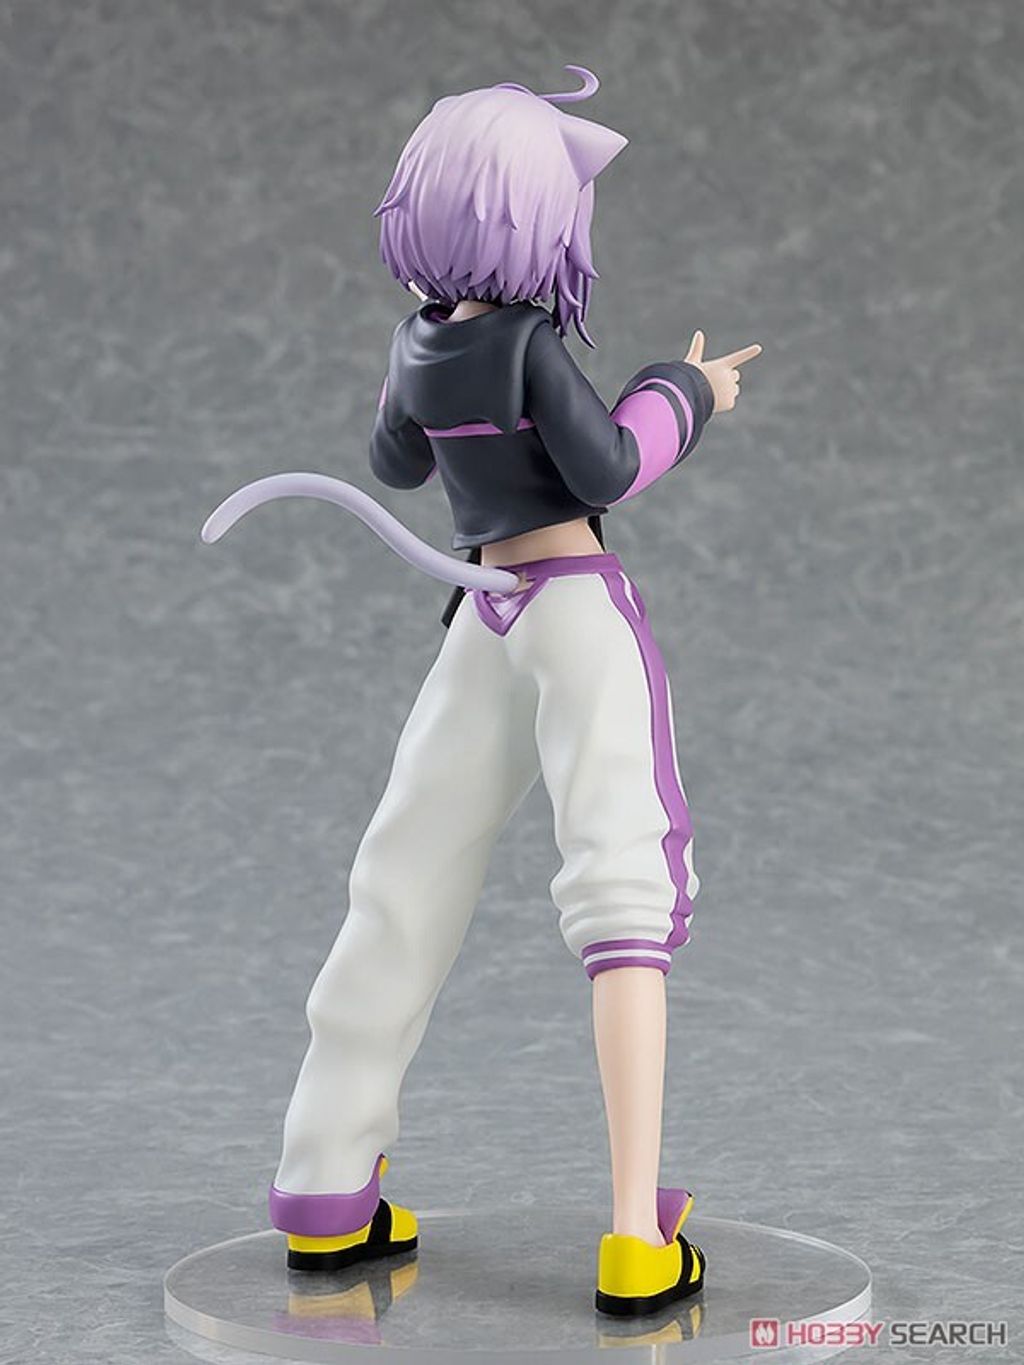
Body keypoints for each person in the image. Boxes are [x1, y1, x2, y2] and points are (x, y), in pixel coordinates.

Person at [266, 66, 761, 1317]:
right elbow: (606, 466)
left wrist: (411, 376)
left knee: (402, 878)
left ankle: (324, 1185)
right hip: (570, 607)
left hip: (481, 615)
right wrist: (684, 392)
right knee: (623, 892)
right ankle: (635, 1236)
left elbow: (393, 458)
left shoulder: (419, 338)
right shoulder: (530, 343)